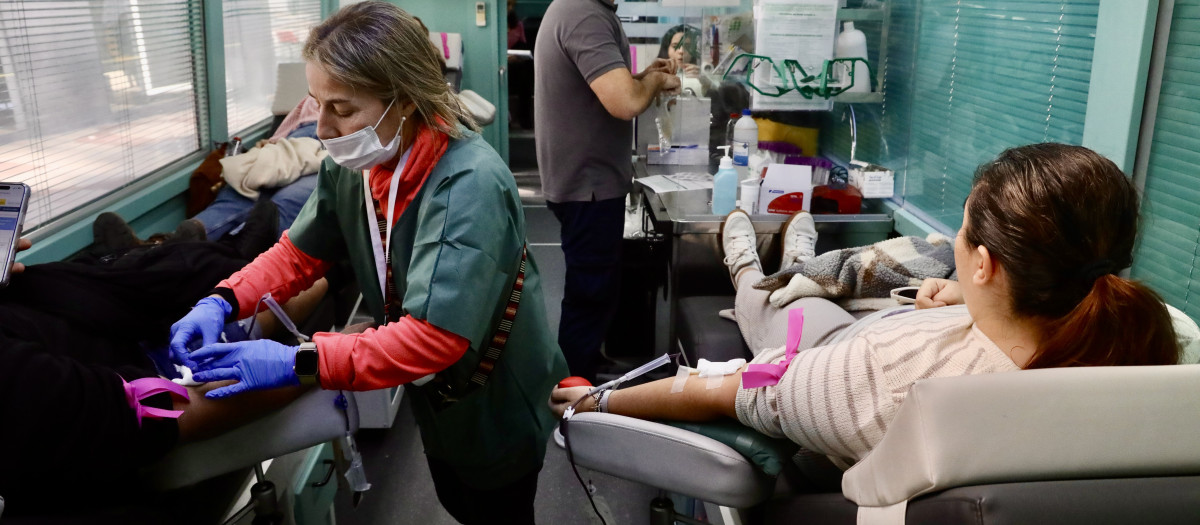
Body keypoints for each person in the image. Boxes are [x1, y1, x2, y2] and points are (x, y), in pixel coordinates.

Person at [169, 3, 568, 523]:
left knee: (494, 504)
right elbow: (300, 251)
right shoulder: (358, 163)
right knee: (455, 495)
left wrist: (297, 363)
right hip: (436, 393)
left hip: (492, 393)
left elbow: (433, 339)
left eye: (342, 108)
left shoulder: (467, 182)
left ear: (403, 101)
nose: (324, 129)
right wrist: (224, 298)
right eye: (317, 104)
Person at [551, 143, 1181, 469]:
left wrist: (597, 400)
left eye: (962, 232)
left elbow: (729, 390)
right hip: (911, 324)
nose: (955, 243)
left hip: (830, 353)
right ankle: (795, 261)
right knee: (832, 294)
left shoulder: (889, 387)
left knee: (769, 311)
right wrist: (966, 298)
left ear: (988, 262)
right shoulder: (1159, 344)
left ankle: (747, 267)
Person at [0, 235, 308, 518]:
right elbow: (173, 407)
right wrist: (322, 363)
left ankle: (233, 239)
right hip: (152, 364)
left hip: (113, 310)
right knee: (286, 285)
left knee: (185, 260)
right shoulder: (25, 384)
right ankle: (243, 239)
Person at [534, 0, 682, 383]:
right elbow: (625, 101)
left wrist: (641, 74)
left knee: (594, 289)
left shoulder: (581, 10)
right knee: (589, 294)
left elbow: (605, 84)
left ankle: (586, 366)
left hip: (587, 181)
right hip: (588, 186)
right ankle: (573, 392)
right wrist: (654, 82)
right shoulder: (583, 12)